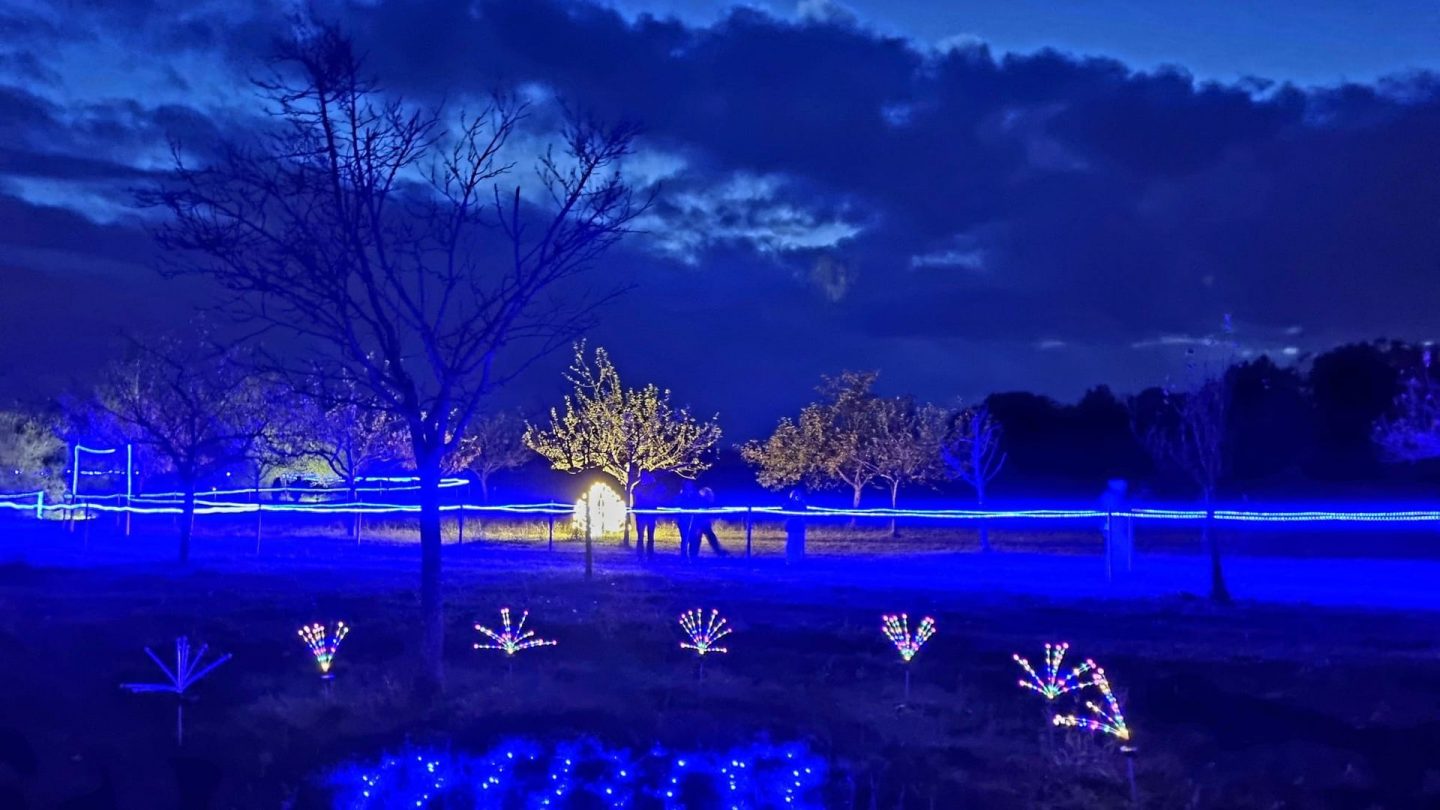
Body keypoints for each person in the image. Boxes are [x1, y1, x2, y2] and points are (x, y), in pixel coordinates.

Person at [632, 471, 663, 559]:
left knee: (650, 536)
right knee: (640, 536)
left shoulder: (651, 487)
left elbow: (657, 497)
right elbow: (636, 500)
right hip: (642, 515)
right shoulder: (638, 487)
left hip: (650, 514)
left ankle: (650, 555)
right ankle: (640, 555)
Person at [690, 487, 727, 557]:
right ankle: (693, 554)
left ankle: (693, 554)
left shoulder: (703, 501)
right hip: (700, 523)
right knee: (701, 538)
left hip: (703, 523)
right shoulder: (702, 502)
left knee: (705, 538)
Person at [784, 487, 807, 564]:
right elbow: (784, 510)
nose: (796, 497)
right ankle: (790, 559)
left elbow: (805, 512)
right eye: (794, 495)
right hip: (792, 525)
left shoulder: (802, 504)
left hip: (799, 525)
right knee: (791, 542)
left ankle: (799, 558)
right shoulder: (789, 504)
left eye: (797, 495)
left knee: (799, 542)